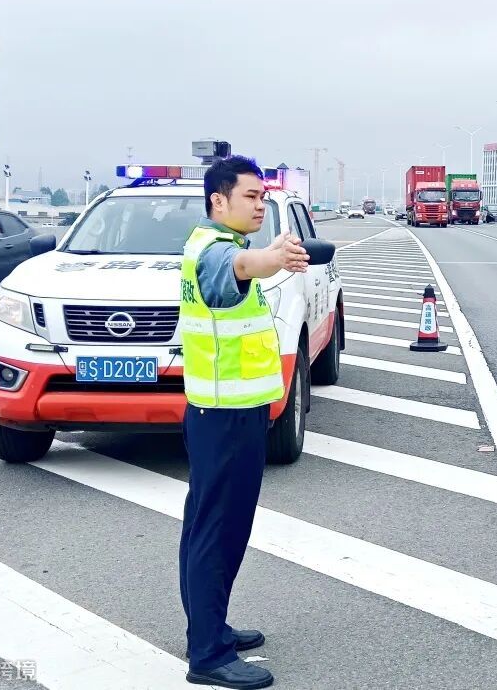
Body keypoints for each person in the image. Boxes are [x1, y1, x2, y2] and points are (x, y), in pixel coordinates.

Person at [178, 155, 309, 689]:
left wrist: (266, 255)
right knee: (219, 531)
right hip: (225, 418)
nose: (260, 205)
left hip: (223, 413)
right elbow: (235, 270)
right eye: (251, 196)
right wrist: (271, 257)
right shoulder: (216, 251)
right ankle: (208, 654)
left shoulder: (215, 242)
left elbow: (243, 265)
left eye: (263, 197)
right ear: (219, 200)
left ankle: (210, 628)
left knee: (208, 526)